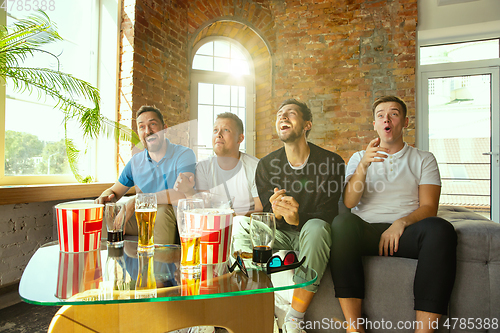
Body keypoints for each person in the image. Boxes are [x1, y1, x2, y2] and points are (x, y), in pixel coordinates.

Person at [329, 96, 457, 333]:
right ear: (375, 125)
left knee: (441, 229)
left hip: (405, 233)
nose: (386, 118)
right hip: (365, 230)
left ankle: (424, 331)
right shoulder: (359, 158)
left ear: (405, 122)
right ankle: (354, 327)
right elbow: (349, 202)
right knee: (341, 223)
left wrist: (401, 223)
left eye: (394, 113)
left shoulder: (423, 159)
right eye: (380, 115)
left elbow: (429, 208)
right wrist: (363, 167)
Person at [255, 99, 345, 333]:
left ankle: (294, 318)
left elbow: (329, 215)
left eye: (290, 113)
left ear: (307, 124)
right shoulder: (266, 165)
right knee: (241, 225)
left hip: (312, 235)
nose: (282, 117)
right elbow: (266, 213)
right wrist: (273, 212)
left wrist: (298, 218)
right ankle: (258, 305)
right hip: (280, 235)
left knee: (317, 227)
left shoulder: (331, 163)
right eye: (279, 114)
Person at [95, 105, 196, 245]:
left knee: (162, 210)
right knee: (103, 215)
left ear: (165, 128)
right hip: (142, 219)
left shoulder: (184, 154)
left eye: (153, 124)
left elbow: (183, 194)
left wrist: (138, 200)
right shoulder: (136, 161)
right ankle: (109, 264)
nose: (148, 131)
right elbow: (114, 191)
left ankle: (161, 264)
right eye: (142, 127)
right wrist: (104, 197)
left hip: (171, 218)